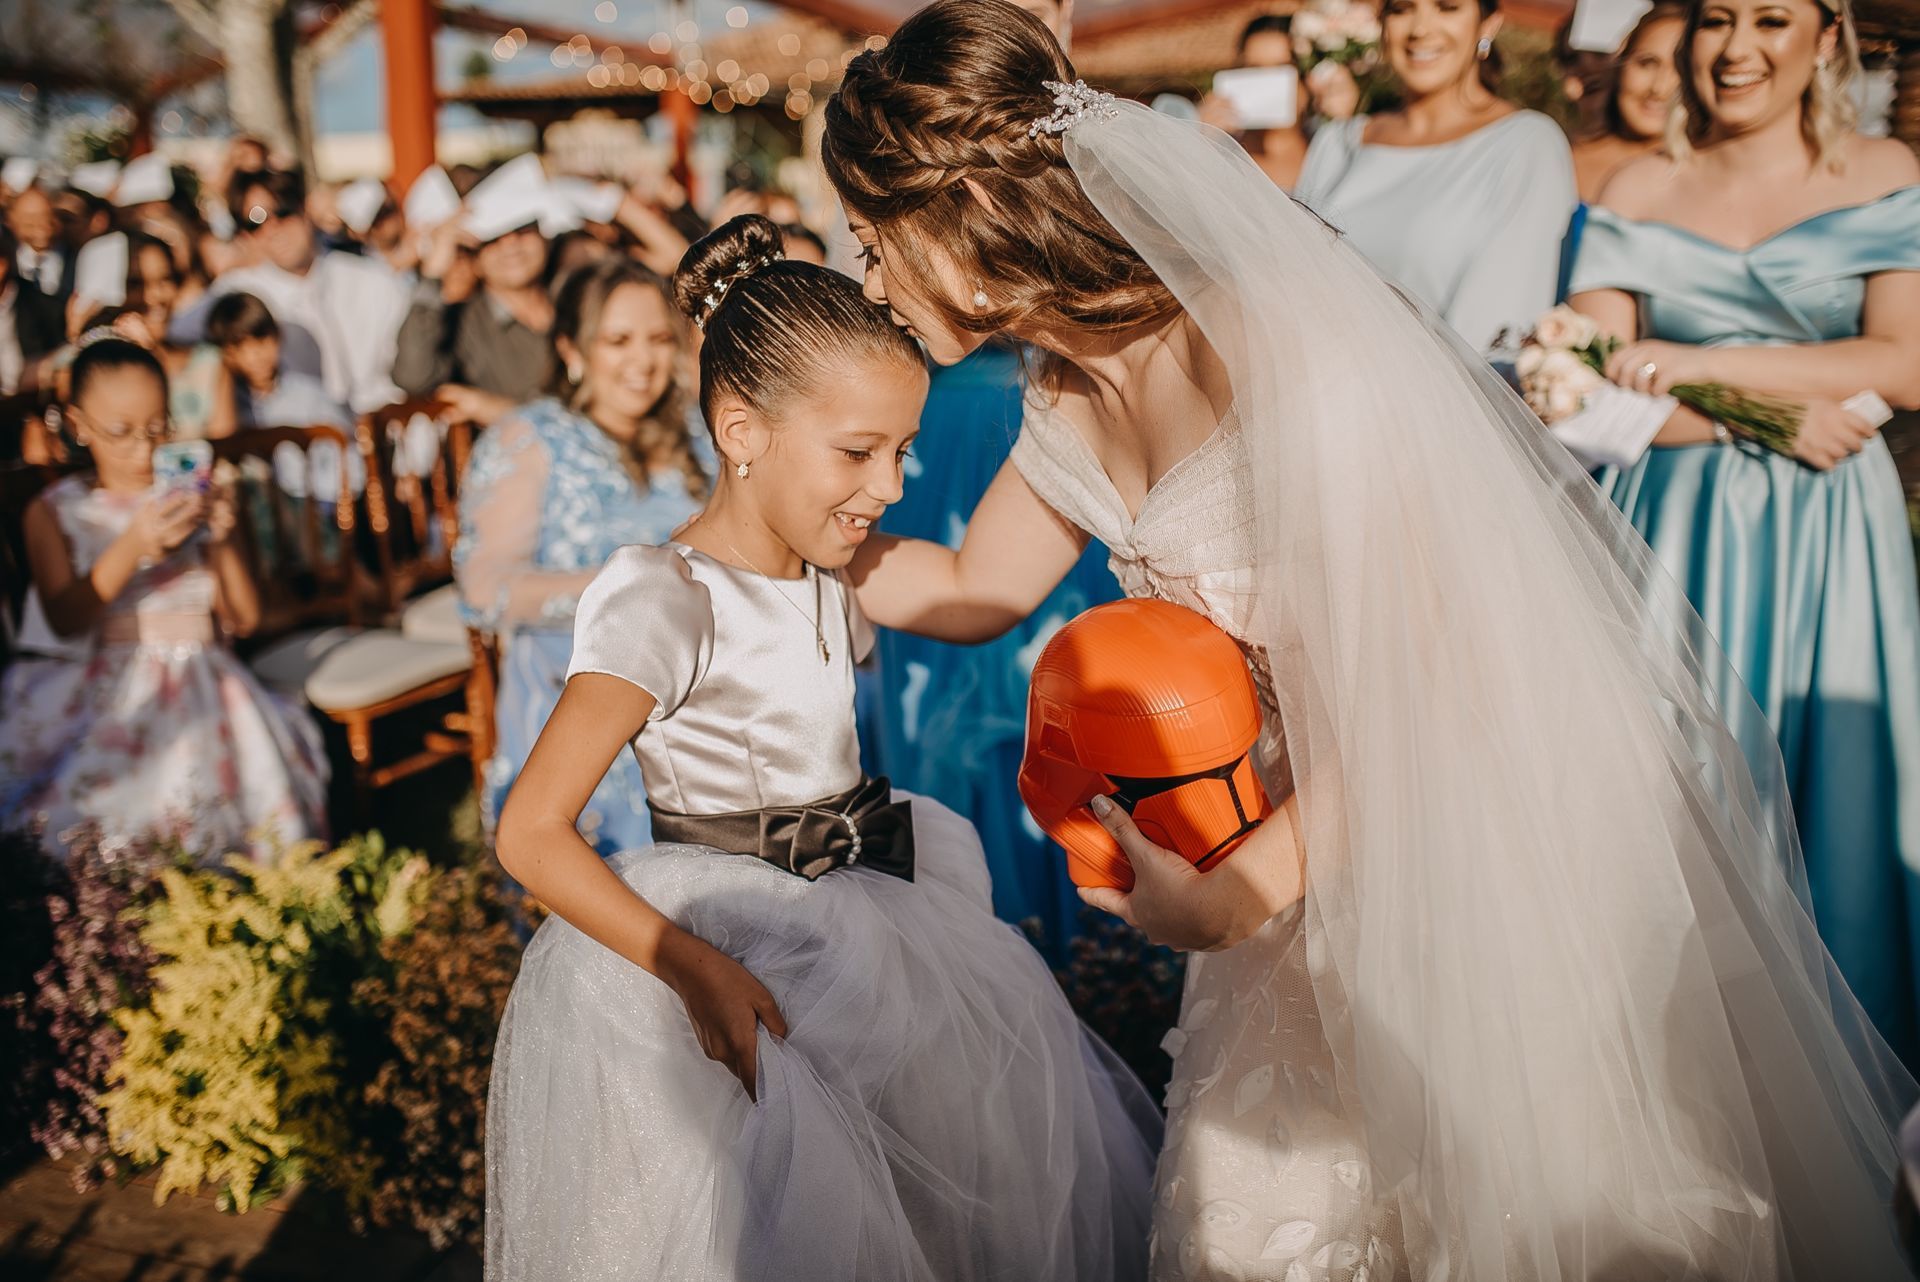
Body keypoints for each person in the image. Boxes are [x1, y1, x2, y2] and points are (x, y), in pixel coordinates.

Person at [822, 2, 1913, 1275]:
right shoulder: (1062, 391)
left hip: (1454, 854)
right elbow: (967, 584)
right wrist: (800, 529)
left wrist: (1240, 894)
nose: (869, 281)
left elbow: (1446, 682)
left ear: (962, 215)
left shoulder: (1271, 349)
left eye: (875, 242)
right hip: (1278, 887)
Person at [484, 214, 1158, 1278]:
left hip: (866, 936)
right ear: (742, 431)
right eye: (859, 453)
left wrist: (1087, 416)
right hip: (729, 953)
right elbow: (531, 831)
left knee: (906, 1207)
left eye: (901, 452)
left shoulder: (838, 564)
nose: (890, 486)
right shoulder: (665, 596)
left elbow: (979, 592)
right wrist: (693, 969)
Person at [1568, 0, 1920, 1058]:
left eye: (1773, 19)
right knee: (1664, 811)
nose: (1738, 48)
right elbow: (1580, 392)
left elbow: (1903, 362)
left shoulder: (1882, 168)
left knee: (1837, 810)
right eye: (1717, 19)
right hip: (1665, 537)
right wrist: (1770, 405)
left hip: (1832, 545)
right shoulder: (1636, 187)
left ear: (1828, 38)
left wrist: (1690, 366)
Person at [0, 337, 328, 862]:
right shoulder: (55, 511)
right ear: (79, 424)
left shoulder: (195, 495)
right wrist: (133, 545)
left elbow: (245, 617)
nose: (144, 449)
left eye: (158, 428)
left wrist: (223, 536)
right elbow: (65, 618)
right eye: (121, 432)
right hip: (111, 685)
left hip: (206, 676)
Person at [454, 259, 709, 856]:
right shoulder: (530, 440)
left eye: (657, 339)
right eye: (618, 341)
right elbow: (483, 590)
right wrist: (627, 587)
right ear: (571, 349)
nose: (642, 362)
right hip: (571, 692)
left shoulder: (695, 432)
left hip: (695, 685)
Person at [1293, 0, 1576, 349]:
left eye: (1447, 7)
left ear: (1488, 24)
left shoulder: (1525, 144)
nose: (1420, 29)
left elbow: (1497, 331)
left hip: (1432, 396)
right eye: (1402, 8)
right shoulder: (1336, 142)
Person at [171, 169, 409, 414]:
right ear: (245, 235)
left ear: (304, 210)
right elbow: (174, 335)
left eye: (282, 211)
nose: (273, 228)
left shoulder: (373, 279)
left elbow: (410, 365)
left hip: (384, 425)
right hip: (295, 436)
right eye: (255, 222)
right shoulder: (237, 290)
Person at [393, 210, 554, 428]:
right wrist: (432, 275)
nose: (510, 244)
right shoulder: (462, 323)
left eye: (522, 229)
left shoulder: (577, 299)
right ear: (475, 256)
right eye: (492, 238)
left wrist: (500, 410)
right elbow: (413, 377)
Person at [1197, 14, 1362, 192]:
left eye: (1282, 68)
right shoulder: (1218, 149)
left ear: (1308, 79)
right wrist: (1203, 146)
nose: (1267, 82)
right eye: (1254, 68)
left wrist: (1344, 126)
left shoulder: (1337, 145)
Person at [1569, 1, 1687, 199]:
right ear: (1620, 64)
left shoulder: (1706, 183)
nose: (1659, 88)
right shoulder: (1561, 156)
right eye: (1647, 63)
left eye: (1681, 70)